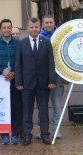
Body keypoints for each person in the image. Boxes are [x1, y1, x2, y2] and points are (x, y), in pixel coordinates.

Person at [15, 17, 57, 145]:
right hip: (27, 84)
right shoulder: (21, 43)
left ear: (40, 27)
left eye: (36, 27)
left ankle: (45, 134)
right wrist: (19, 82)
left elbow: (51, 63)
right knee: (27, 111)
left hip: (43, 83)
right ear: (27, 28)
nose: (34, 29)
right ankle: (27, 135)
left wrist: (52, 80)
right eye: (32, 27)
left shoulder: (46, 42)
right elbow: (18, 64)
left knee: (43, 111)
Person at [0, 19, 22, 145]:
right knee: (2, 108)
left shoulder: (18, 43)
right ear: (0, 29)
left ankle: (15, 133)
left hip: (15, 80)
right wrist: (2, 71)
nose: (7, 30)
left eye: (9, 27)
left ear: (11, 29)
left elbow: (22, 62)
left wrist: (14, 74)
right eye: (4, 27)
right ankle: (4, 134)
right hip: (0, 82)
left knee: (16, 108)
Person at [38, 15, 64, 139]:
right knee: (42, 105)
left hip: (57, 76)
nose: (49, 24)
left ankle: (56, 129)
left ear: (55, 22)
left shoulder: (61, 36)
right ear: (42, 24)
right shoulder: (38, 37)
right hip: (42, 76)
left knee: (57, 105)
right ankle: (42, 130)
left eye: (51, 22)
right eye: (46, 22)